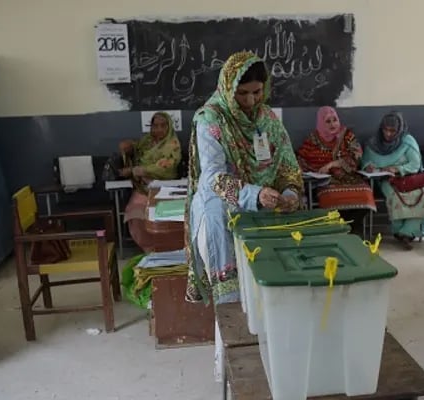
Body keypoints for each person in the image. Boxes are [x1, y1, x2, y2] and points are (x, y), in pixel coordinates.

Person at [185, 51, 303, 382]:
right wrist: (252, 194)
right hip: (220, 216)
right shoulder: (210, 118)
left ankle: (273, 364)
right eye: (243, 93)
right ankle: (234, 376)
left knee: (270, 291)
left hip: (264, 213)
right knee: (234, 302)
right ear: (228, 87)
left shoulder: (268, 119)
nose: (251, 100)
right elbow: (212, 178)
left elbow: (288, 168)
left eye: (257, 92)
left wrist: (290, 193)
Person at [361, 112, 424, 250]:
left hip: (409, 179)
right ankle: (398, 231)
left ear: (400, 130)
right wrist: (368, 166)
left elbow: (415, 164)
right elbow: (365, 160)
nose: (388, 134)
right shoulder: (374, 143)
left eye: (392, 130)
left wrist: (397, 169)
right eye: (385, 129)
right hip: (387, 180)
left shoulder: (407, 141)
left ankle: (408, 233)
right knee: (395, 196)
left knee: (421, 193)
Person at [121, 112, 182, 250]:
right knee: (135, 213)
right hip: (144, 189)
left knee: (163, 218)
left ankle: (168, 249)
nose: (158, 129)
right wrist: (129, 146)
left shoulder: (172, 144)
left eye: (162, 126)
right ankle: (149, 248)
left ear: (169, 126)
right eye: (155, 126)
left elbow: (166, 165)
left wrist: (137, 170)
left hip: (165, 189)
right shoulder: (147, 141)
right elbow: (136, 149)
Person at [297, 106, 376, 212]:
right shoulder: (313, 139)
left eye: (335, 120)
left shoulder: (347, 135)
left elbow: (356, 156)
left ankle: (355, 227)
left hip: (350, 178)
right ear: (321, 123)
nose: (332, 124)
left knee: (365, 193)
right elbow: (301, 159)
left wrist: (334, 163)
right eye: (328, 121)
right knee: (331, 196)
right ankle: (338, 226)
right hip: (326, 181)